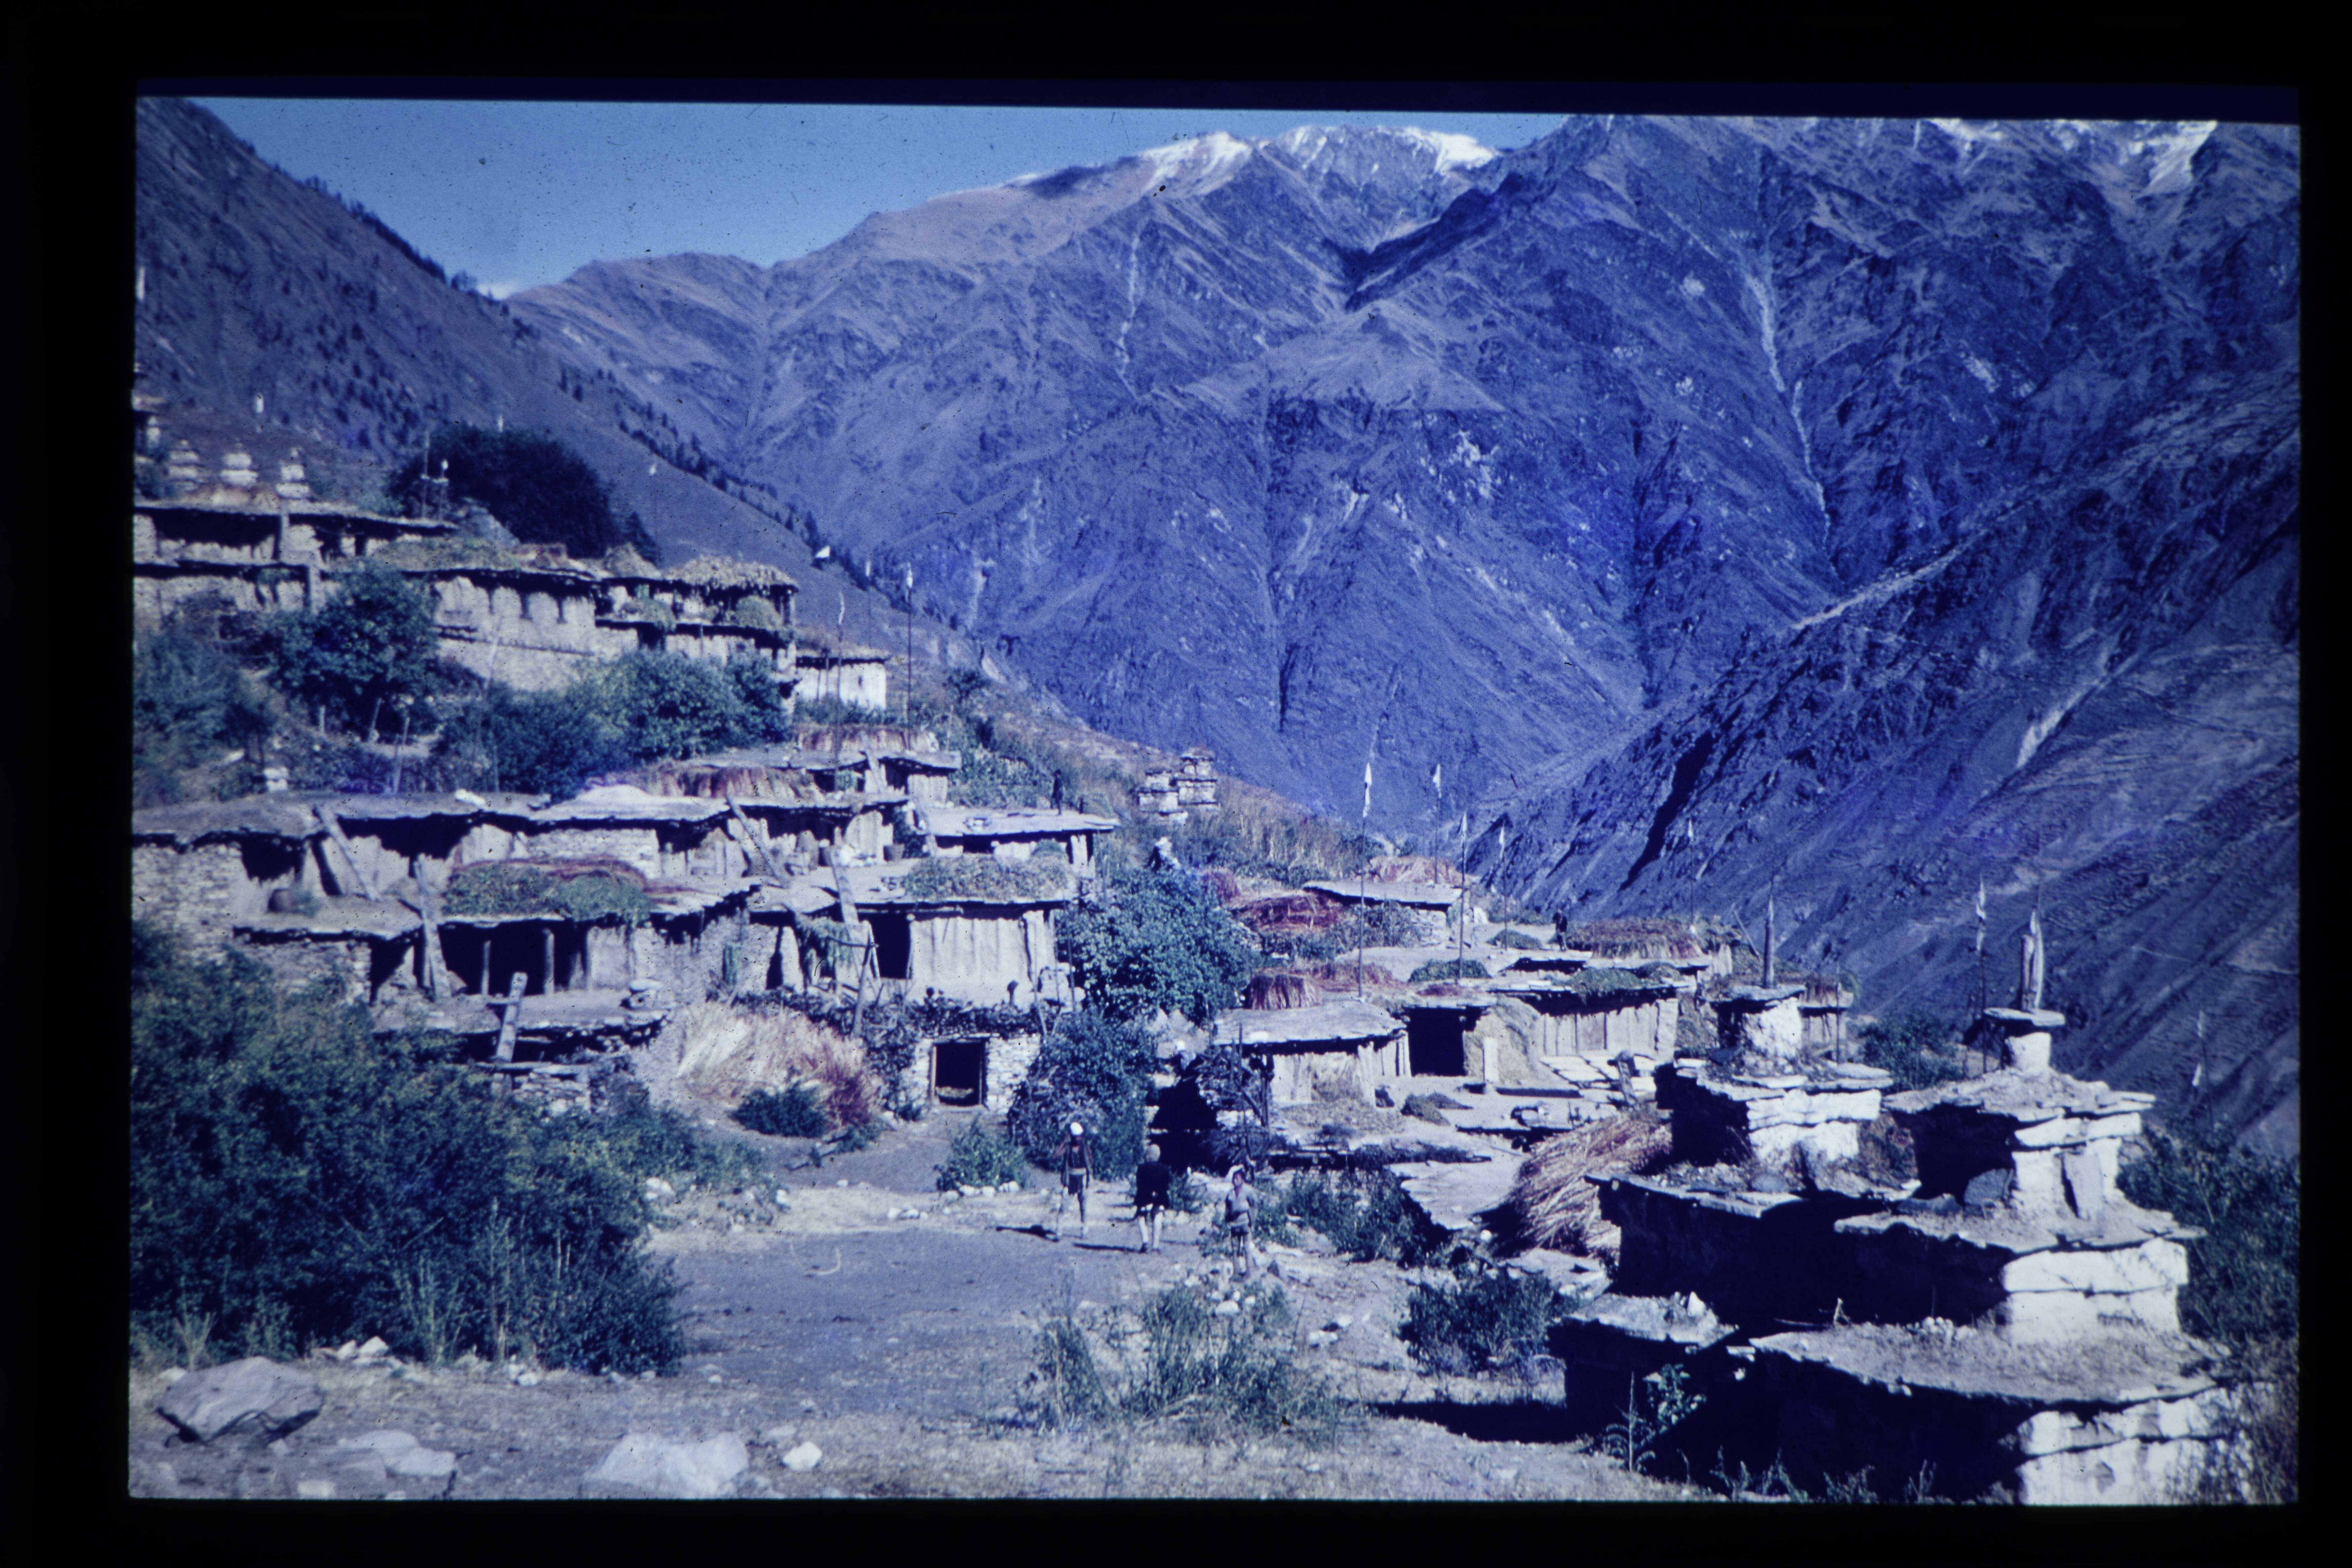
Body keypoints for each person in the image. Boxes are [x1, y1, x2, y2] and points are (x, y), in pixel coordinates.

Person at [1219, 1164, 1263, 1279]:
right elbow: (1227, 1208)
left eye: (1237, 1178)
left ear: (1243, 1180)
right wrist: (1228, 1219)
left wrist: (1252, 1220)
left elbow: (1255, 1205)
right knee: (1235, 1249)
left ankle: (1249, 1272)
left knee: (1247, 1248)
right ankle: (1236, 1272)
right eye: (1234, 1179)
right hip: (1234, 1226)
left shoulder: (1248, 1191)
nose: (1235, 1181)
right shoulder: (1231, 1194)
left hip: (1245, 1224)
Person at [1053, 1119, 1093, 1240]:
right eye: (1076, 1137)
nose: (1079, 1139)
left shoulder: (1085, 1148)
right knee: (1064, 1206)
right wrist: (1064, 1142)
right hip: (1070, 1180)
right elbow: (1055, 1156)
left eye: (1080, 1136)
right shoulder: (1068, 1147)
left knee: (1084, 1206)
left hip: (1082, 1179)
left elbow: (1090, 1163)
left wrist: (1089, 1178)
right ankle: (1059, 1232)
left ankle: (1084, 1230)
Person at [1132, 1143, 1173, 1254]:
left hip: (1144, 1198)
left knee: (1141, 1217)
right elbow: (1166, 1186)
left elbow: (1139, 1185)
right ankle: (1156, 1246)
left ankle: (1145, 1241)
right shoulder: (1165, 1169)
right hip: (1160, 1197)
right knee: (1158, 1217)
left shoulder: (1141, 1168)